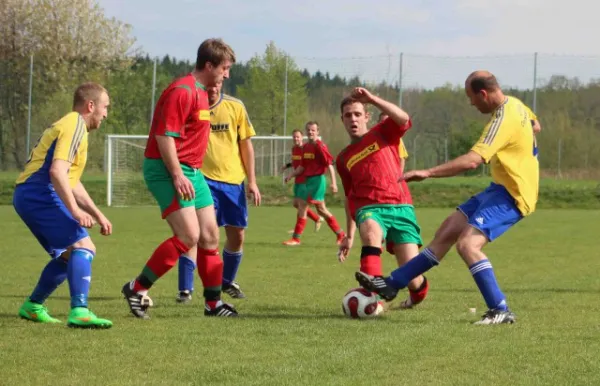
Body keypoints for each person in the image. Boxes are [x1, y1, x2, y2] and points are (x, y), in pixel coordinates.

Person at [356, 70, 540, 325]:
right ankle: (392, 283)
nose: (471, 103)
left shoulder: (502, 119)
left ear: (483, 93)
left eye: (471, 98)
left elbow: (473, 161)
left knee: (467, 245)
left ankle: (500, 309)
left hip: (515, 193)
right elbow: (535, 125)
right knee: (447, 231)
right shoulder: (518, 105)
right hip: (500, 187)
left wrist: (428, 172)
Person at [121, 38, 238, 319]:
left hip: (192, 172)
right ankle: (137, 288)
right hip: (166, 169)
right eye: (224, 68)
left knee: (210, 235)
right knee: (188, 236)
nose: (227, 74)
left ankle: (213, 304)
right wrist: (177, 175)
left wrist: (190, 173)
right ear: (208, 65)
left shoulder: (201, 92)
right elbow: (164, 136)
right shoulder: (182, 90)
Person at [14, 82, 113, 328]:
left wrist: (98, 214)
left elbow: (72, 181)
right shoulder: (75, 124)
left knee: (69, 254)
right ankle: (80, 310)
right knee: (83, 245)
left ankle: (33, 306)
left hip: (29, 194)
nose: (106, 113)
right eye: (105, 107)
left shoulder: (72, 125)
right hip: (39, 192)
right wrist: (76, 211)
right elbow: (57, 173)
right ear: (91, 106)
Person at [336, 87, 428, 310]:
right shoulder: (342, 159)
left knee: (414, 279)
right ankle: (372, 296)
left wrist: (372, 99)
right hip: (370, 208)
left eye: (358, 114)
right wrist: (348, 235)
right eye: (348, 115)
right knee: (370, 229)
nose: (353, 119)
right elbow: (350, 198)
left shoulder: (383, 132)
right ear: (342, 120)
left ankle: (415, 296)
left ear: (367, 116)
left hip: (401, 206)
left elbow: (404, 118)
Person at [175, 82, 261, 303]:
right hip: (201, 179)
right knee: (196, 233)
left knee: (237, 235)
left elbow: (246, 145)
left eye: (218, 84)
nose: (213, 88)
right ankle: (185, 288)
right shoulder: (192, 107)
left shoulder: (235, 106)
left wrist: (252, 181)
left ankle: (226, 281)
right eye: (209, 85)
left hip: (233, 183)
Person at [282, 122, 344, 246]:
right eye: (308, 130)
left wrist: (334, 183)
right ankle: (341, 234)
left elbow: (330, 164)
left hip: (318, 181)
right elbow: (301, 167)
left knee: (303, 206)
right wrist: (291, 175)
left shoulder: (319, 146)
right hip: (308, 180)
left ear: (317, 132)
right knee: (321, 210)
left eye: (313, 130)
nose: (310, 132)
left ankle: (296, 239)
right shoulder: (305, 147)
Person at [282, 129, 324, 233]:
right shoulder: (294, 149)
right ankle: (317, 219)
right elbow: (295, 162)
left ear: (302, 137)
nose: (296, 138)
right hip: (298, 180)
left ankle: (298, 231)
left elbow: (305, 163)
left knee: (302, 205)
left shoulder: (305, 149)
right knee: (296, 204)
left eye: (297, 137)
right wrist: (287, 166)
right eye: (294, 137)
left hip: (305, 180)